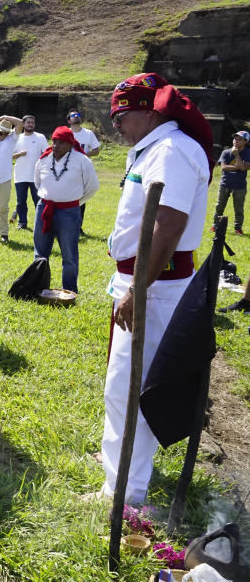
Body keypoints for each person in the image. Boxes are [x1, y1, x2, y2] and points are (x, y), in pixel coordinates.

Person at [101, 72, 214, 503]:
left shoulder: (170, 151)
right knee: (124, 380)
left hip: (156, 284)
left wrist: (137, 290)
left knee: (130, 386)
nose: (116, 123)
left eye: (122, 114)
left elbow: (167, 228)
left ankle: (126, 491)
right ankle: (124, 465)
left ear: (149, 111)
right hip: (142, 279)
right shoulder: (153, 148)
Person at [33, 127, 99, 292]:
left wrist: (73, 202)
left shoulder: (82, 160)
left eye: (61, 142)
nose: (56, 145)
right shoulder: (43, 160)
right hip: (44, 209)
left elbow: (92, 187)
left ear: (70, 143)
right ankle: (39, 288)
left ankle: (69, 290)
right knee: (40, 253)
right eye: (54, 141)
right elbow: (38, 184)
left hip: (69, 212)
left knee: (69, 255)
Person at [67, 110, 101, 236]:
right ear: (69, 120)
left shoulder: (88, 133)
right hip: (66, 170)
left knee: (81, 198)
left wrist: (84, 154)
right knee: (65, 197)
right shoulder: (66, 132)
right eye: (73, 116)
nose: (76, 117)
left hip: (82, 171)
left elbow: (96, 150)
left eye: (78, 115)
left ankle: (78, 227)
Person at [12, 115, 47, 231]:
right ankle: (22, 223)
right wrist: (20, 154)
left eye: (32, 123)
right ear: (23, 124)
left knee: (38, 201)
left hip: (36, 176)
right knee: (21, 202)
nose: (30, 124)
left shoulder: (40, 137)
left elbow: (46, 154)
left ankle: (41, 222)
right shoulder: (17, 138)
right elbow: (10, 156)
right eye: (28, 123)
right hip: (20, 175)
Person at [212, 130, 248, 235]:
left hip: (240, 186)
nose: (236, 141)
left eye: (239, 139)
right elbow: (223, 167)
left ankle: (238, 228)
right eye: (235, 138)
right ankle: (215, 226)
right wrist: (238, 166)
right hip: (225, 184)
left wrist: (236, 155)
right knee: (219, 206)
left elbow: (243, 168)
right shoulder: (226, 152)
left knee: (239, 209)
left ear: (245, 141)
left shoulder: (247, 153)